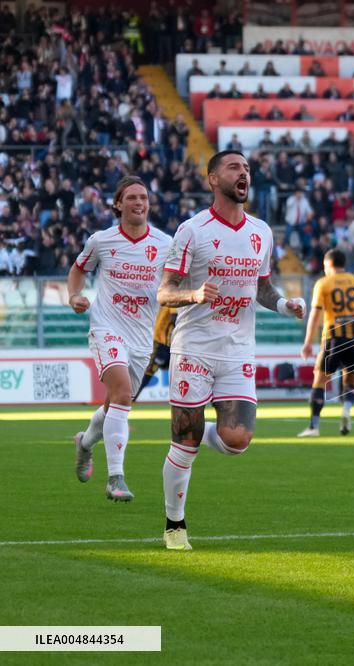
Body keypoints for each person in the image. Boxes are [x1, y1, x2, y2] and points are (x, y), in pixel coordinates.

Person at [156, 151, 305, 551]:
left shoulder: (261, 231)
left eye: (248, 169)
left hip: (238, 348)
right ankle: (174, 526)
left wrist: (283, 305)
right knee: (183, 448)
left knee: (237, 438)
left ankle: (190, 427)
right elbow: (164, 291)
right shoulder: (192, 230)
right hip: (194, 348)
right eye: (234, 168)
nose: (244, 174)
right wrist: (194, 293)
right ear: (212, 179)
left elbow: (262, 287)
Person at [68, 176, 172, 502]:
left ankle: (85, 443)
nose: (139, 202)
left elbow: (178, 282)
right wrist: (74, 296)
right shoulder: (101, 240)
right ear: (118, 203)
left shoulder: (166, 244)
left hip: (142, 338)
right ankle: (116, 479)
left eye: (143, 197)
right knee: (123, 395)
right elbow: (78, 269)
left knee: (116, 402)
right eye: (131, 198)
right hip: (106, 327)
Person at [298, 249, 354, 437]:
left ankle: (314, 426)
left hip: (333, 337)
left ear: (329, 265)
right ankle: (346, 410)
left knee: (320, 379)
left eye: (324, 266)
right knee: (350, 380)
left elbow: (315, 314)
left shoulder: (323, 283)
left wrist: (307, 342)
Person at [134, 306, 177, 400]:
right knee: (148, 371)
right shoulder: (163, 300)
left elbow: (174, 317)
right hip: (160, 342)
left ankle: (131, 398)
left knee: (148, 371)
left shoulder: (171, 300)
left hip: (165, 343)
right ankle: (131, 397)